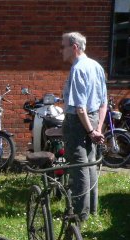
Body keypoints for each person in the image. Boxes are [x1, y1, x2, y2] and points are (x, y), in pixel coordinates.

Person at [61, 32, 107, 221]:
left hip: (79, 123)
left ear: (74, 47)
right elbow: (104, 102)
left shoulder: (78, 69)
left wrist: (89, 130)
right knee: (90, 164)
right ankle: (92, 210)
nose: (60, 50)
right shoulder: (96, 66)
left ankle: (80, 215)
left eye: (62, 46)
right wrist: (97, 129)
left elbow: (80, 108)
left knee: (79, 166)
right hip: (94, 119)